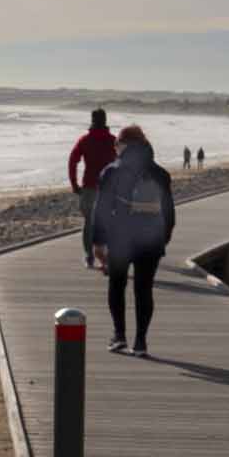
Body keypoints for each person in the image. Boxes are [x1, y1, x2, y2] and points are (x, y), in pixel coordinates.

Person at [89, 125, 175, 357]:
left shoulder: (112, 171)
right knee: (144, 289)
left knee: (117, 285)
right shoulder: (160, 173)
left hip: (120, 238)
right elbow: (169, 213)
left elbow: (102, 210)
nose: (115, 148)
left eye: (116, 143)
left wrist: (98, 242)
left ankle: (119, 336)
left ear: (125, 144)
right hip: (151, 240)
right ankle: (140, 342)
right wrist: (163, 238)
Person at [67, 108, 119, 270]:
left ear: (92, 120)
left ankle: (90, 257)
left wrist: (74, 184)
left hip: (89, 187)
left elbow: (72, 161)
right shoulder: (114, 140)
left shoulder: (85, 140)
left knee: (89, 223)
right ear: (105, 120)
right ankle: (109, 256)